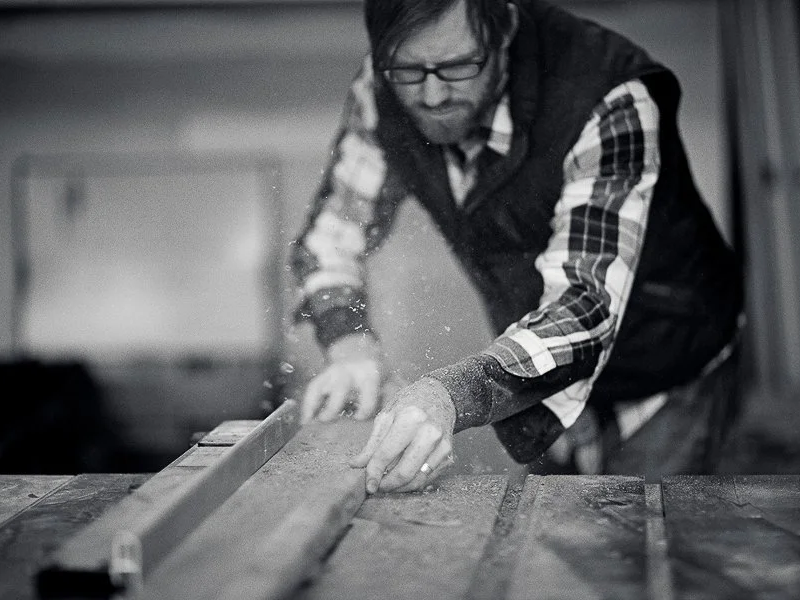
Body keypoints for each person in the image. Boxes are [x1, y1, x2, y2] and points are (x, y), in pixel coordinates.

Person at [290, 0, 743, 494]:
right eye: (408, 69)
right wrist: (351, 345)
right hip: (537, 369)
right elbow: (331, 237)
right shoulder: (382, 88)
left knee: (636, 554)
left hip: (662, 369)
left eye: (459, 66)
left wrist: (449, 396)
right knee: (549, 547)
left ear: (503, 27)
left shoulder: (607, 94)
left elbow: (583, 307)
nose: (434, 93)